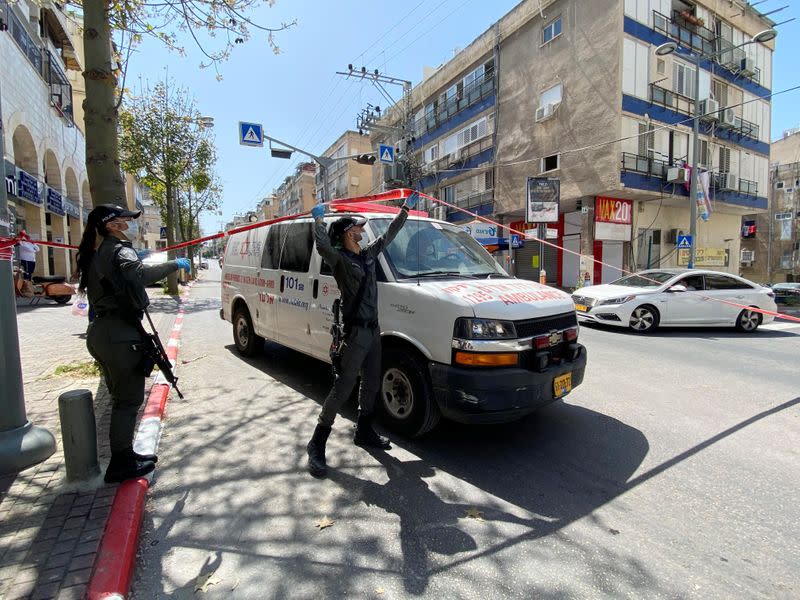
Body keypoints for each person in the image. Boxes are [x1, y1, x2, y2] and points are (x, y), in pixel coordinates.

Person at [75, 204, 190, 483]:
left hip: (102, 332)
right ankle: (121, 463)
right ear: (112, 225)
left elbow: (120, 277)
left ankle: (126, 455)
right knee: (128, 401)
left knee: (120, 399)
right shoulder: (119, 249)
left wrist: (139, 258)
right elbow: (139, 276)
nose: (132, 224)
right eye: (126, 220)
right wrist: (174, 264)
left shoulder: (98, 253)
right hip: (119, 334)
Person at [306, 192, 417, 478]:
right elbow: (321, 246)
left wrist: (404, 210)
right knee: (343, 388)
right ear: (346, 234)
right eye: (356, 228)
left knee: (371, 383)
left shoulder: (368, 256)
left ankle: (365, 430)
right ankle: (317, 444)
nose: (361, 230)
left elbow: (389, 235)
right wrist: (318, 219)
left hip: (374, 331)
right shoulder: (339, 260)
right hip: (354, 334)